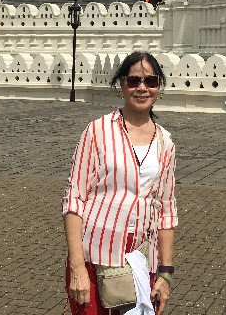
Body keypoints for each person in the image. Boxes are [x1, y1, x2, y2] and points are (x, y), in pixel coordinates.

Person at [63, 51, 177, 315]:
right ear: (121, 85)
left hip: (141, 262)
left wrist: (166, 273)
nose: (142, 88)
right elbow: (74, 200)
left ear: (159, 87)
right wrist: (77, 268)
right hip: (94, 260)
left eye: (150, 81)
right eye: (134, 80)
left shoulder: (165, 143)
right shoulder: (97, 131)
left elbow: (166, 211)